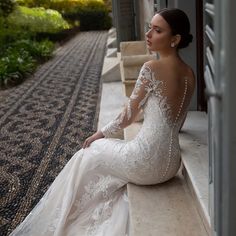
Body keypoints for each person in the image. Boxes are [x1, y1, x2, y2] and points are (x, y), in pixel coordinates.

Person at [10, 8, 195, 236]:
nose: (148, 34)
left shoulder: (151, 68)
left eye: (157, 30)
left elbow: (128, 116)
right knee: (96, 156)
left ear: (175, 39)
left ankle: (66, 218)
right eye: (149, 27)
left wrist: (101, 133)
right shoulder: (189, 74)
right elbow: (180, 118)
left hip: (145, 162)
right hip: (171, 164)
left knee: (88, 152)